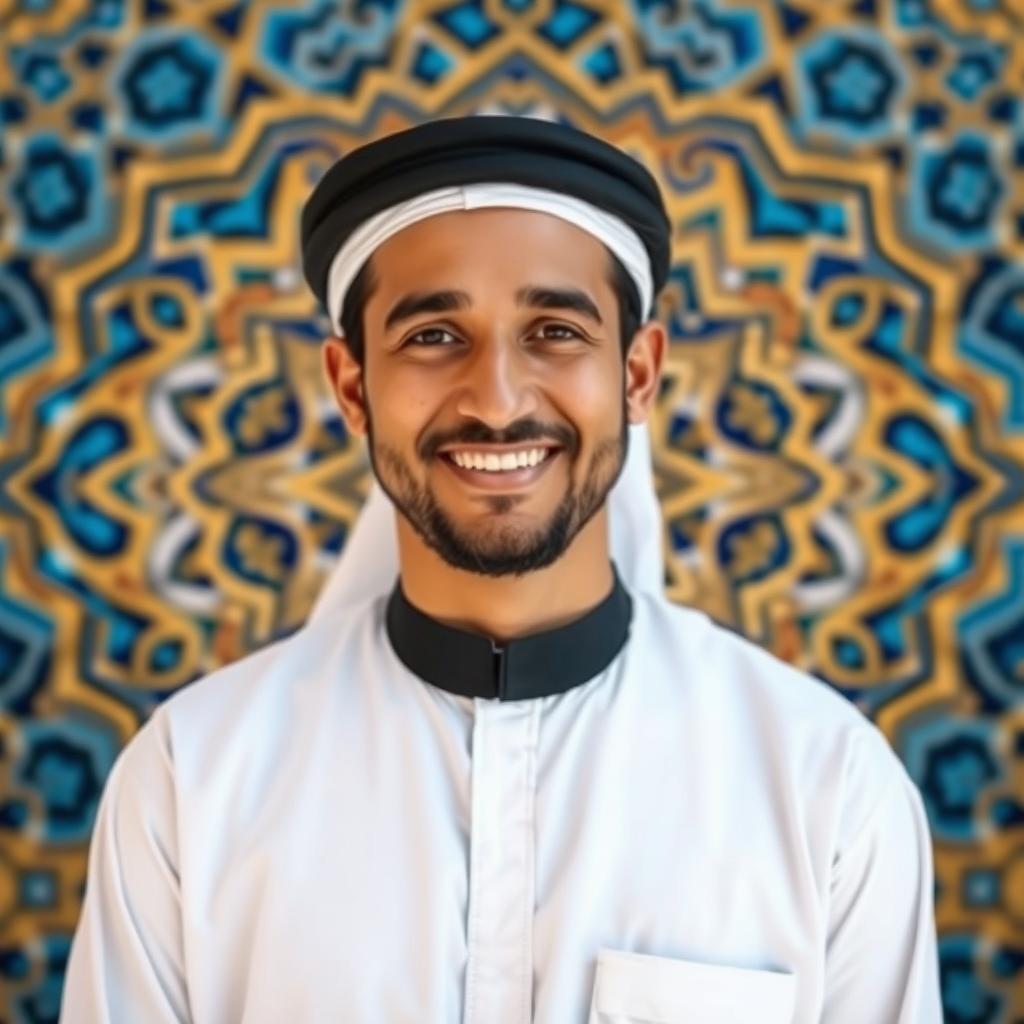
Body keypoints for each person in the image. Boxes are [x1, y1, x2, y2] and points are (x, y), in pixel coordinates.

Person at [59, 116, 942, 1023]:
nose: (497, 401)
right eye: (434, 336)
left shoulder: (823, 784)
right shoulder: (192, 777)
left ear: (637, 374)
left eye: (555, 329)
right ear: (352, 387)